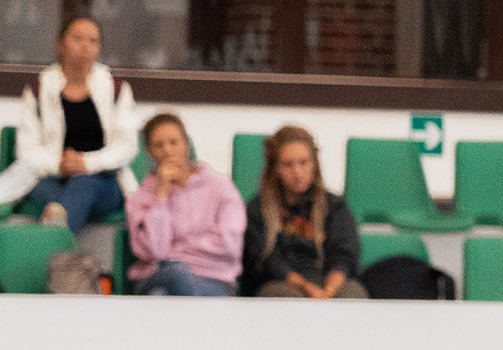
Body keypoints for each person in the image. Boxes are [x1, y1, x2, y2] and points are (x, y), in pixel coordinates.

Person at [18, 16, 141, 232]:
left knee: (84, 184)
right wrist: (59, 165)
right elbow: (26, 150)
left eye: (93, 41)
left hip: (104, 181)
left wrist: (86, 163)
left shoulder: (116, 87)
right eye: (78, 38)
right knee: (47, 192)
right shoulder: (39, 88)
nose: (86, 46)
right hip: (52, 178)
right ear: (60, 44)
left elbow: (127, 146)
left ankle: (52, 243)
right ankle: (60, 237)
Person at [240, 125, 367, 298]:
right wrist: (306, 288)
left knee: (353, 292)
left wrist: (327, 293)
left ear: (314, 163)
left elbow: (344, 257)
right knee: (281, 297)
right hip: (283, 285)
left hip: (327, 284)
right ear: (275, 168)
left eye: (303, 162)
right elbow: (264, 261)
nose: (297, 172)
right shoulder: (257, 209)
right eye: (288, 164)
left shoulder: (335, 206)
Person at [124, 112, 243, 296]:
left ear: (186, 144)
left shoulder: (220, 187)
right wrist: (161, 194)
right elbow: (154, 251)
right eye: (158, 145)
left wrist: (175, 252)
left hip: (213, 279)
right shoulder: (139, 199)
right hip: (158, 276)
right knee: (176, 275)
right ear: (149, 152)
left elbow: (230, 245)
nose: (168, 151)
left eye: (174, 142)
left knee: (163, 295)